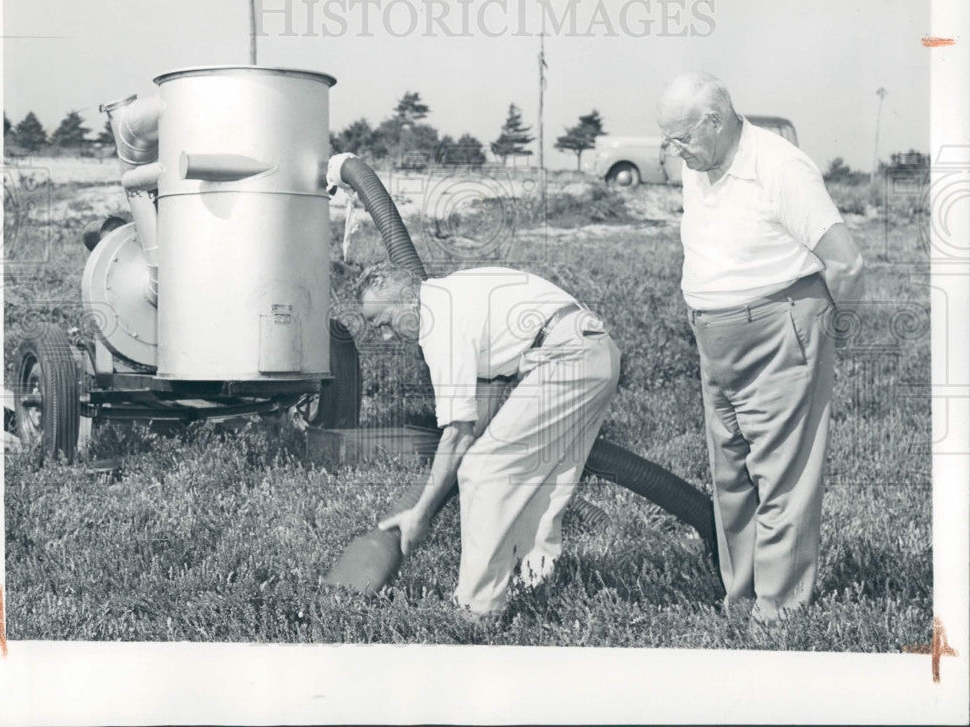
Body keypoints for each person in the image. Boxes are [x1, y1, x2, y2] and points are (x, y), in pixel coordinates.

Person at [657, 71, 864, 622]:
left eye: (681, 138)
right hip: (716, 339)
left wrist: (827, 341)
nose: (672, 152)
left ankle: (779, 614)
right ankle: (742, 597)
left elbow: (846, 262)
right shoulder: (697, 161)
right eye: (667, 140)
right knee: (732, 478)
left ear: (715, 122)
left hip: (781, 332)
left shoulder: (780, 166)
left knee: (783, 479)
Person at [356, 263, 620, 618]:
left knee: (482, 472)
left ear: (407, 297)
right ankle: (535, 595)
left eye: (384, 323)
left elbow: (459, 433)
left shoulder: (439, 321)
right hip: (593, 351)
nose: (387, 337)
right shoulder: (453, 295)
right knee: (535, 482)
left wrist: (422, 513)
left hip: (567, 356)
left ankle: (474, 613)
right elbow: (479, 408)